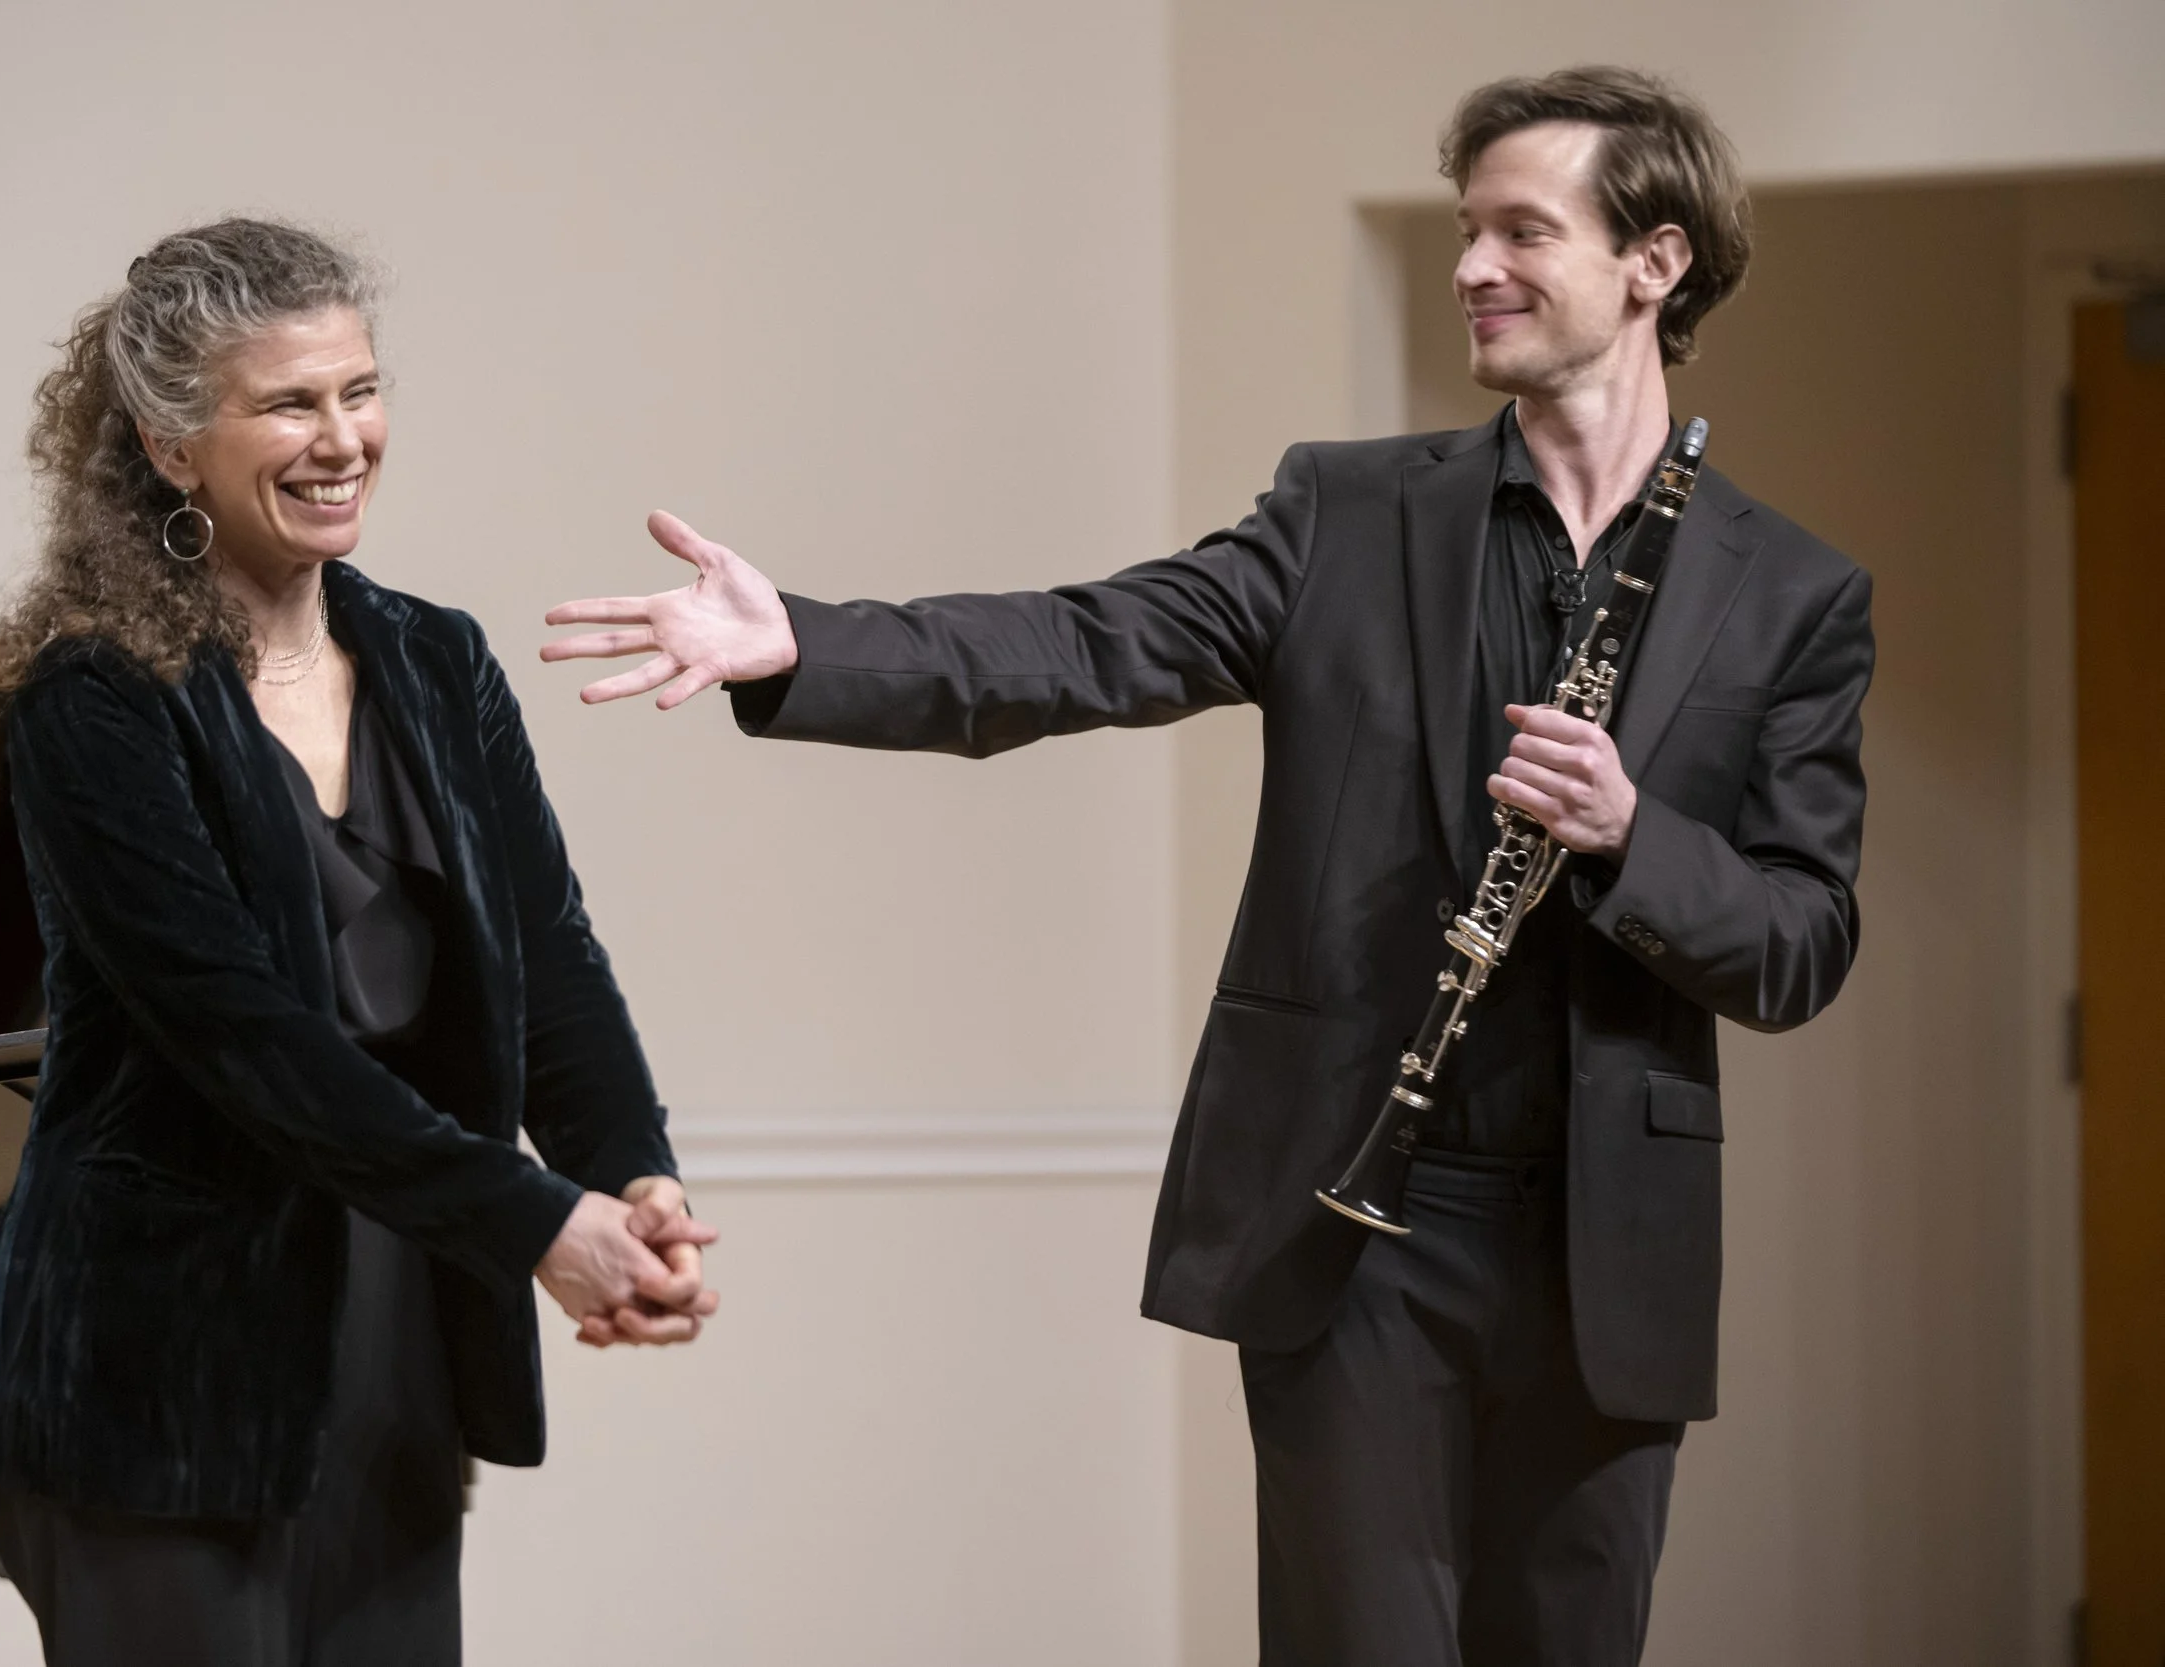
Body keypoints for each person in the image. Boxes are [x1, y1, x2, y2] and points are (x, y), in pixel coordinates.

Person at [544, 68, 1871, 1666]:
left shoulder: (1793, 594)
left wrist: (1633, 834)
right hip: (1355, 1225)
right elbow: (1090, 642)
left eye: (1524, 229)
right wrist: (801, 644)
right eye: (1467, 229)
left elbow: (1801, 938)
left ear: (1653, 263)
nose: (1473, 265)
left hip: (1611, 1253)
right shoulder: (1350, 510)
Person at [0, 218, 717, 1667]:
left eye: (360, 390)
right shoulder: (95, 700)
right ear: (172, 447)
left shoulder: (436, 657)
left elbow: (548, 953)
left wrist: (631, 1170)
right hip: (151, 1366)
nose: (342, 438)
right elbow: (246, 1036)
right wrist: (535, 1219)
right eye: (289, 403)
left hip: (396, 1331)